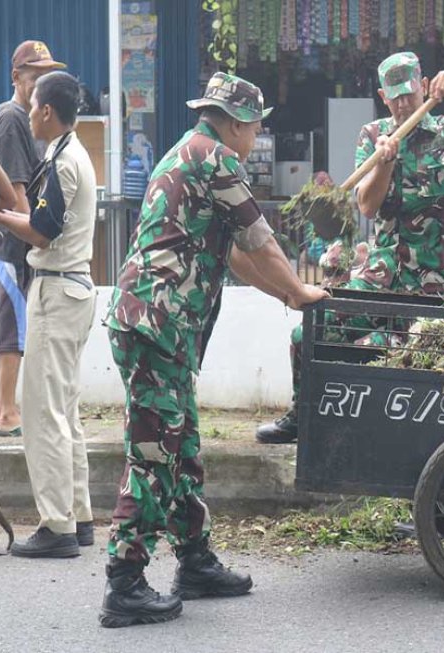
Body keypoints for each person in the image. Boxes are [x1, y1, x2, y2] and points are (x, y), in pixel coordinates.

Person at [99, 72, 328, 628]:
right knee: (155, 453)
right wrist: (299, 290)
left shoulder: (185, 153)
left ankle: (195, 562)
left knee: (182, 443)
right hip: (158, 324)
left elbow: (238, 259)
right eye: (255, 128)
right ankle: (123, 582)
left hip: (154, 324)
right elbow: (261, 240)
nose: (255, 139)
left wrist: (288, 296)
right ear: (236, 124)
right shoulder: (216, 159)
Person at [256, 51, 444, 444]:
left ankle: (364, 434)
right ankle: (302, 416)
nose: (403, 103)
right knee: (308, 334)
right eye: (394, 97)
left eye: (409, 94)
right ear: (382, 95)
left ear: (424, 87)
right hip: (379, 279)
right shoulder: (372, 136)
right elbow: (366, 205)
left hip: (429, 291)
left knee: (374, 350)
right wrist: (385, 162)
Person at [0, 71, 98, 559]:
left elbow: (42, 231)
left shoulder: (66, 161)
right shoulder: (68, 153)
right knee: (64, 411)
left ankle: (57, 527)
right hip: (71, 289)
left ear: (47, 111)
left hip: (58, 289)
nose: (27, 114)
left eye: (33, 107)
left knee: (44, 415)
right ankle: (79, 516)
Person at [0, 40, 66, 439]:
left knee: (22, 324)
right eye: (35, 75)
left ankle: (16, 408)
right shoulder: (12, 117)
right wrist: (31, 232)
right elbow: (15, 189)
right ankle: (4, 412)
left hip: (22, 239)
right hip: (10, 242)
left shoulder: (35, 118)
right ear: (17, 77)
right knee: (12, 324)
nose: (41, 81)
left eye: (46, 75)